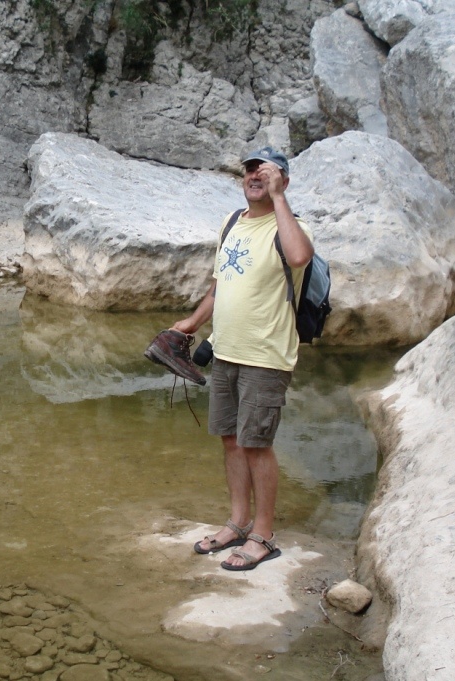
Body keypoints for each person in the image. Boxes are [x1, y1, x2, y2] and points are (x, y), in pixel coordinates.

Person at [173, 147, 314, 571]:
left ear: (283, 180)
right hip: (226, 349)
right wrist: (193, 323)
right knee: (231, 440)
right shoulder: (232, 222)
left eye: (267, 171)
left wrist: (279, 198)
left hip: (266, 355)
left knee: (257, 444)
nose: (256, 175)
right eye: (250, 169)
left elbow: (299, 257)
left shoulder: (290, 225)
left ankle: (264, 537)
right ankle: (237, 522)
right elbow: (220, 284)